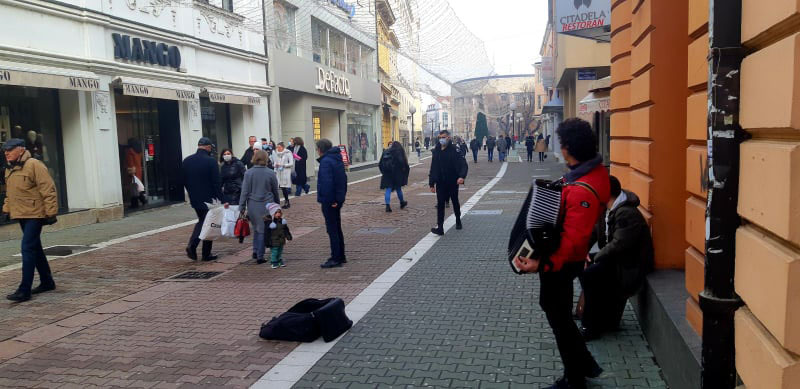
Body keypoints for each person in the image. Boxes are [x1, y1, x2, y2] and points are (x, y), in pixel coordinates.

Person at [513, 118, 610, 389]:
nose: (561, 149)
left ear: (568, 148)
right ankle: (585, 364)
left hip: (562, 264)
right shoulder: (591, 173)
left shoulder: (583, 189)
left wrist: (541, 265)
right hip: (568, 260)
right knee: (557, 314)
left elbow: (572, 241)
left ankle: (574, 378)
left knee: (560, 319)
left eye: (563, 145)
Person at [579, 176, 653, 340]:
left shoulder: (626, 213)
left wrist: (595, 257)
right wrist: (582, 251)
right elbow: (594, 231)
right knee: (581, 265)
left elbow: (619, 244)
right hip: (617, 260)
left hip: (629, 265)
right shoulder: (608, 208)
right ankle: (599, 317)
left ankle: (591, 327)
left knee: (590, 274)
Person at [3, 139, 58, 302]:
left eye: (10, 149)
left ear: (21, 150)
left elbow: (48, 188)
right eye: (5, 150)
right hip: (21, 213)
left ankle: (24, 289)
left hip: (35, 214)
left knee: (27, 248)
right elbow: (9, 192)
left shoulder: (34, 164)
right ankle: (47, 281)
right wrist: (7, 209)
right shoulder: (10, 168)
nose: (6, 152)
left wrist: (51, 213)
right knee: (35, 247)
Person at [182, 137, 227, 262]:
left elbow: (184, 180)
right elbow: (216, 183)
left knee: (203, 221)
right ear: (208, 147)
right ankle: (198, 248)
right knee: (209, 223)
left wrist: (191, 193)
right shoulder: (211, 161)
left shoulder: (187, 160)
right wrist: (222, 199)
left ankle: (202, 251)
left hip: (195, 198)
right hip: (210, 199)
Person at [239, 150, 281, 264]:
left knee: (257, 228)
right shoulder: (270, 172)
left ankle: (255, 250)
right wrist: (277, 203)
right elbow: (275, 190)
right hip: (267, 204)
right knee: (263, 230)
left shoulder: (249, 173)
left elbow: (245, 191)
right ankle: (260, 256)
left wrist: (241, 206)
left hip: (252, 204)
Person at [429, 130, 468, 236]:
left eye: (444, 137)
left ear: (448, 138)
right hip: (440, 182)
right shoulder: (436, 151)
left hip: (452, 181)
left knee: (455, 201)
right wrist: (431, 183)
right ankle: (440, 228)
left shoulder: (455, 150)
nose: (441, 139)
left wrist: (461, 176)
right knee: (440, 204)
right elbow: (433, 168)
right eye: (440, 137)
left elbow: (463, 164)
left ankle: (458, 219)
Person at [317, 139, 348, 268]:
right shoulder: (336, 159)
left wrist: (331, 200)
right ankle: (341, 255)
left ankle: (336, 257)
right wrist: (339, 199)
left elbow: (326, 183)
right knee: (337, 227)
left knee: (332, 229)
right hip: (337, 199)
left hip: (330, 200)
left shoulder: (326, 162)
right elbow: (342, 180)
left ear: (320, 149)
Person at [379, 141, 410, 213]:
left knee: (388, 190)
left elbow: (380, 163)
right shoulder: (400, 152)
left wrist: (383, 172)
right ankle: (402, 202)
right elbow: (404, 164)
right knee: (398, 189)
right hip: (397, 174)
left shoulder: (386, 151)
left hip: (387, 174)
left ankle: (387, 206)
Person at [265, 203, 293, 269]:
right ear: (272, 214)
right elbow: (267, 233)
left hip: (281, 240)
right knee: (274, 251)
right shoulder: (269, 223)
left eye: (279, 212)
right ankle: (273, 262)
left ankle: (279, 260)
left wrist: (288, 236)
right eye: (276, 213)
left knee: (280, 251)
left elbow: (286, 229)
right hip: (273, 241)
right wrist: (267, 242)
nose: (278, 214)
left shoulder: (282, 221)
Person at [271, 142, 294, 209]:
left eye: (279, 147)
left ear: (283, 147)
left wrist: (283, 165)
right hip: (278, 172)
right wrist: (275, 165)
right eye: (277, 147)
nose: (278, 149)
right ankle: (283, 201)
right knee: (280, 187)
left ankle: (287, 201)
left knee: (285, 187)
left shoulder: (288, 153)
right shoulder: (276, 153)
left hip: (285, 172)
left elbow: (291, 163)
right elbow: (275, 161)